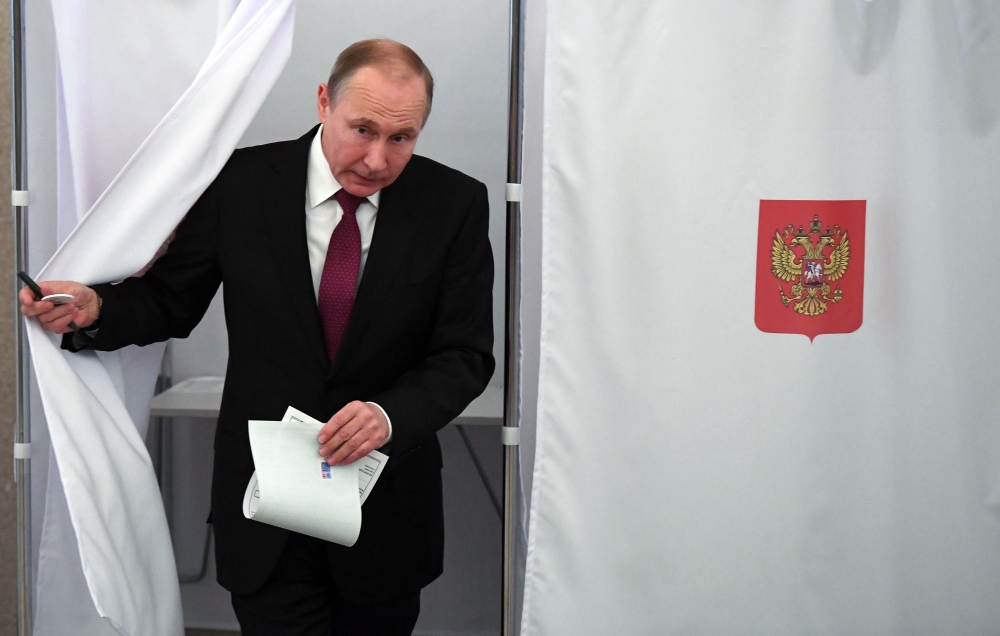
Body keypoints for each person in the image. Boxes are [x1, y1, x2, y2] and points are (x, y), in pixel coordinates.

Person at [20, 39, 495, 636]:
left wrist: (388, 414)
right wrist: (96, 309)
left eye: (401, 138)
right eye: (362, 129)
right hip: (266, 506)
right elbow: (171, 299)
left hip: (383, 518)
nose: (376, 159)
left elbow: (466, 354)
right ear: (324, 101)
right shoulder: (240, 183)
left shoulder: (453, 204)